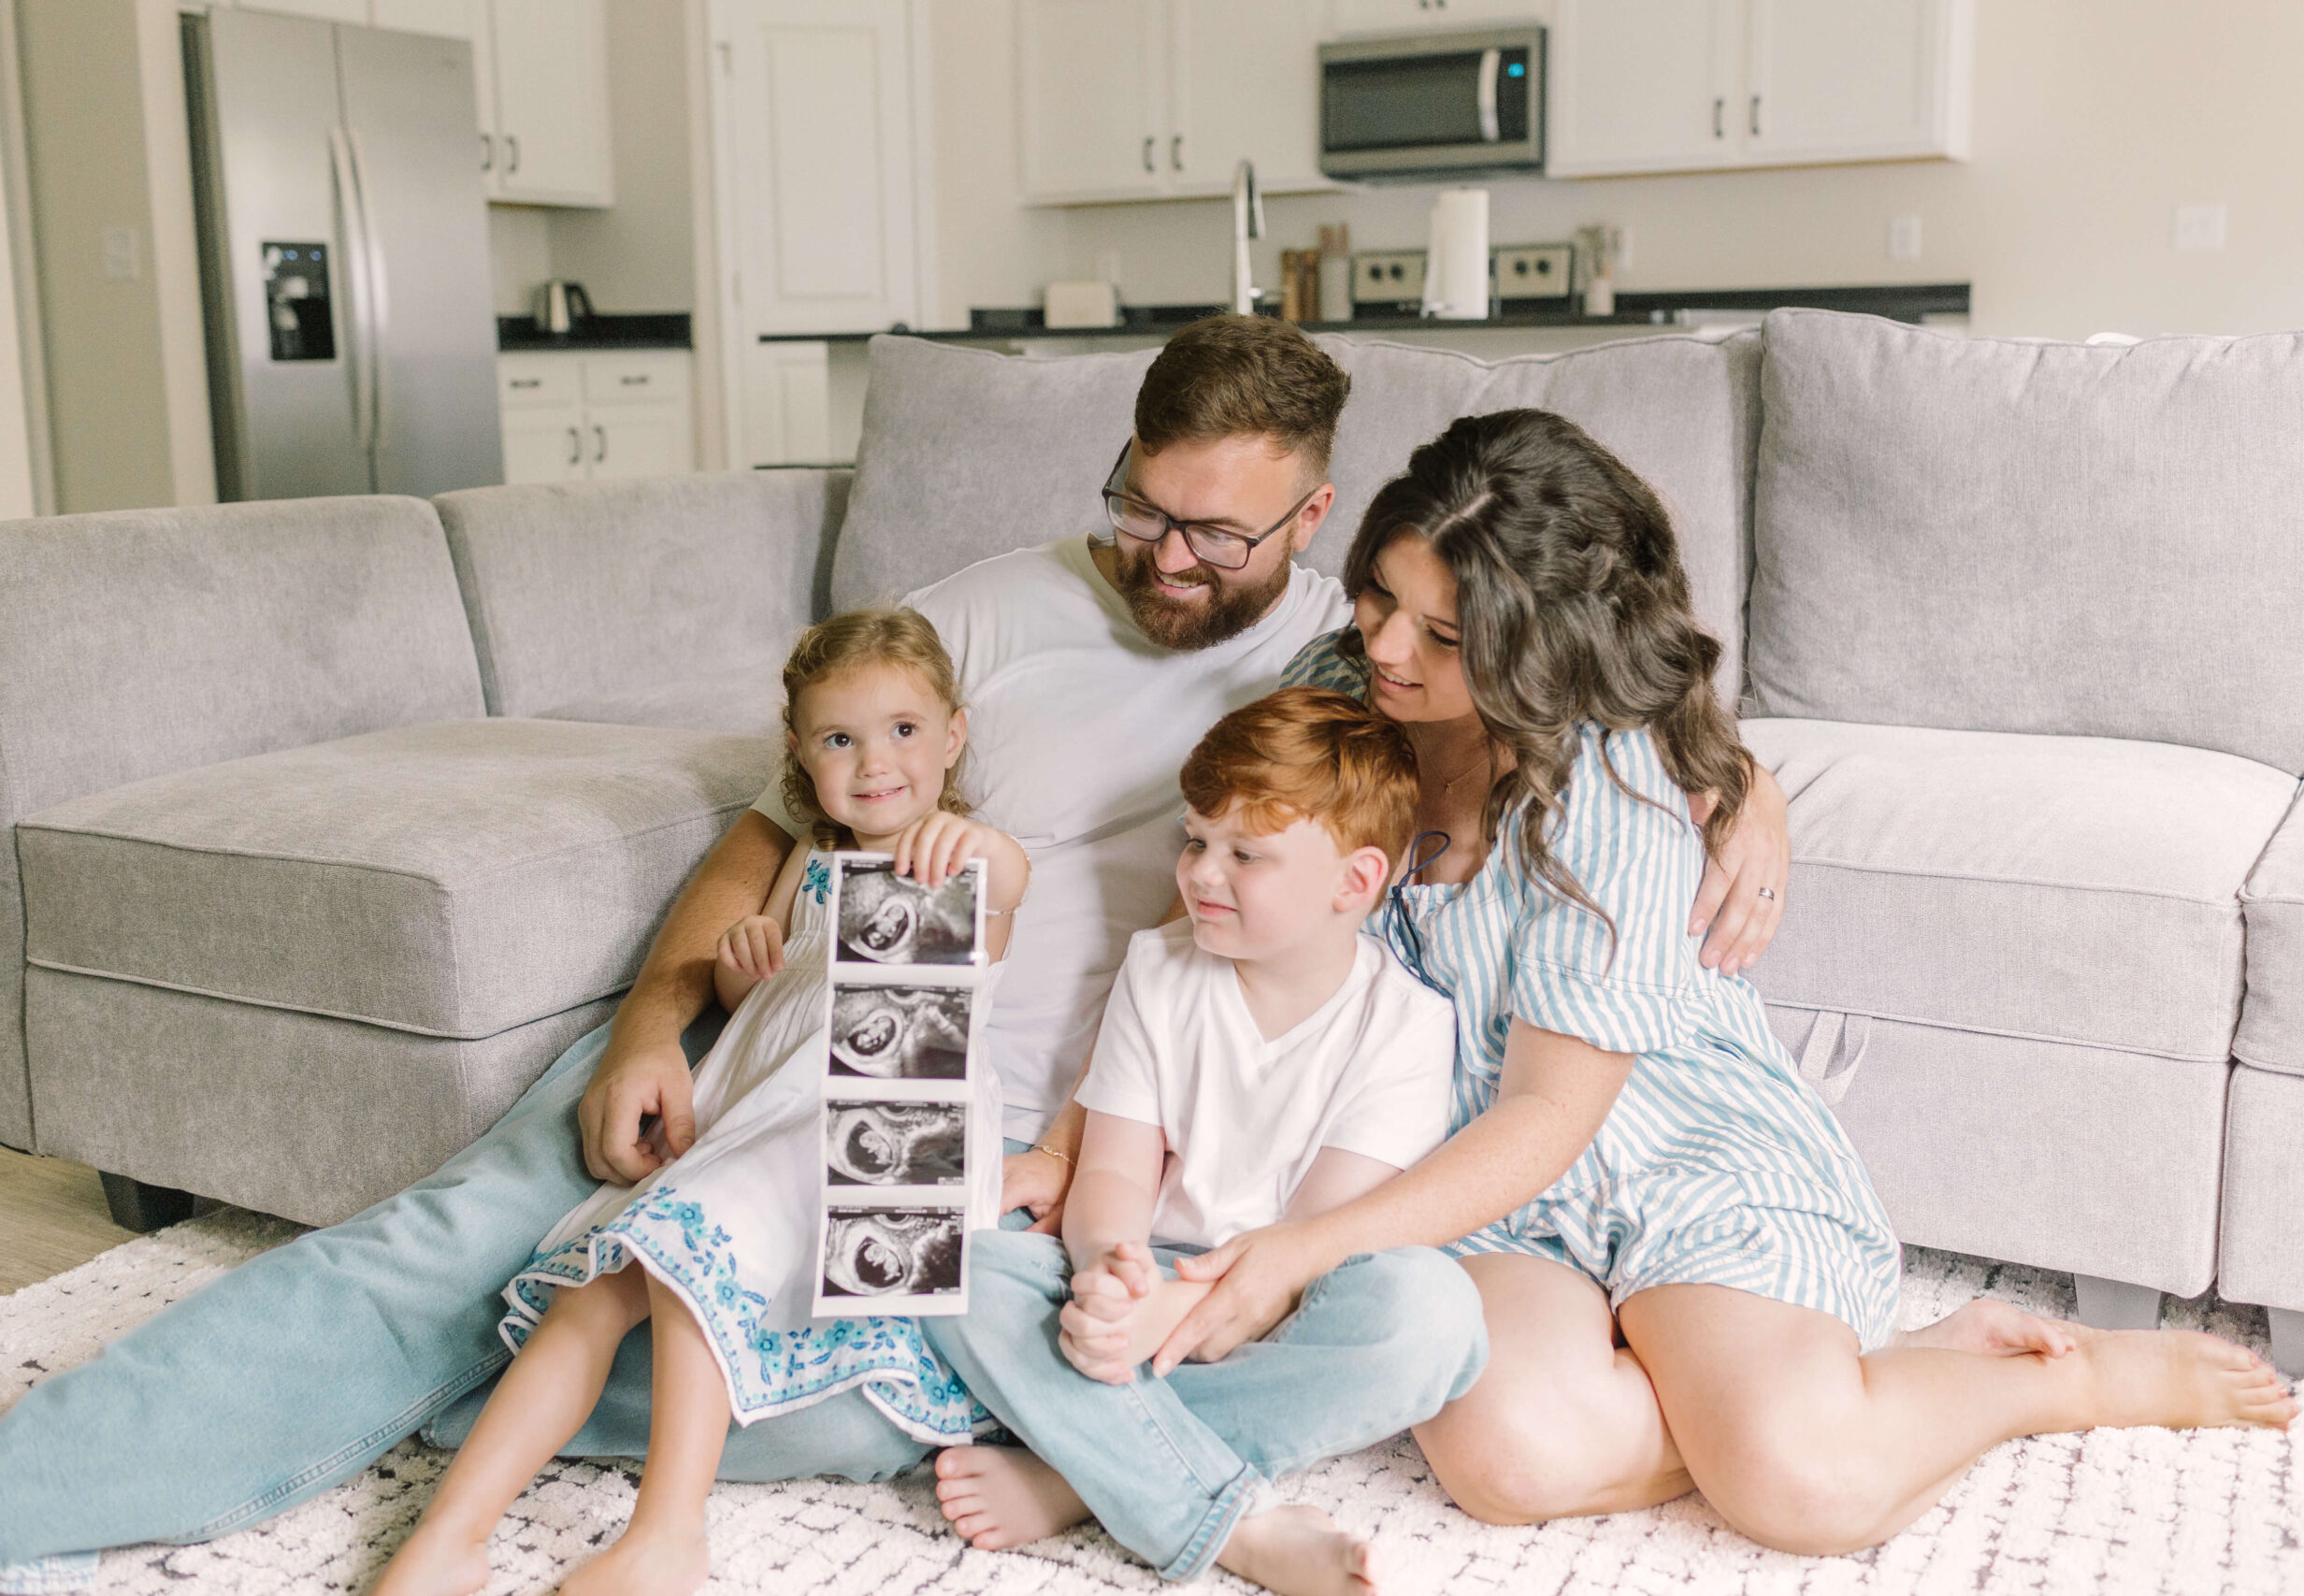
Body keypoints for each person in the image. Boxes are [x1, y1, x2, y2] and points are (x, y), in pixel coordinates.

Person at [0, 318, 1790, 1580]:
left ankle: (583, 1393)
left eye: (1212, 531)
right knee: (450, 1254)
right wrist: (645, 1019)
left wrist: (1738, 778)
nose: (1162, 558)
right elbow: (774, 815)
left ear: (1308, 524)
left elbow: (1599, 684)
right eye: (1137, 504)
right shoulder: (992, 611)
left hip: (991, 1130)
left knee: (886, 1369)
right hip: (801, 1031)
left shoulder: (1364, 658)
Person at [1101, 409, 2298, 1557]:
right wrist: (1073, 1145)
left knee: (1801, 1488)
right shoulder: (1338, 683)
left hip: (1669, 1149)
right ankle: (1804, 1385)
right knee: (1508, 1463)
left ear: (1545, 646)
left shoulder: (1606, 780)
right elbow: (1204, 917)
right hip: (1474, 1183)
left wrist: (1300, 1253)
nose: (1386, 647)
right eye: (1379, 596)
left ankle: (2040, 1382)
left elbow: (1549, 1112)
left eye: (1447, 635)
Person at [373, 609, 1027, 1596]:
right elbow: (750, 1000)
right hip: (758, 1111)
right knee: (591, 1293)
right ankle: (452, 1532)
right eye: (838, 740)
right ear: (802, 759)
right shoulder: (806, 865)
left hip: (877, 1133)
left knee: (685, 1258)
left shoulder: (968, 857)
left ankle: (667, 1536)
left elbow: (1005, 889)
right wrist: (743, 963)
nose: (874, 761)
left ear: (953, 736)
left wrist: (963, 845)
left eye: (902, 729)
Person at [925, 689, 1482, 1596]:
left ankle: (1080, 1473)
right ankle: (1219, 1517)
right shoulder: (1161, 967)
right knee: (963, 1268)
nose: (1200, 874)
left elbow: (1310, 1241)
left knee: (1434, 1319)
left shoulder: (1406, 1026)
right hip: (1147, 1271)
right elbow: (1111, 1166)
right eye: (1194, 840)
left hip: (1283, 1301)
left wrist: (1170, 1317)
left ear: (1354, 880)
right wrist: (1113, 1268)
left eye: (1244, 854)